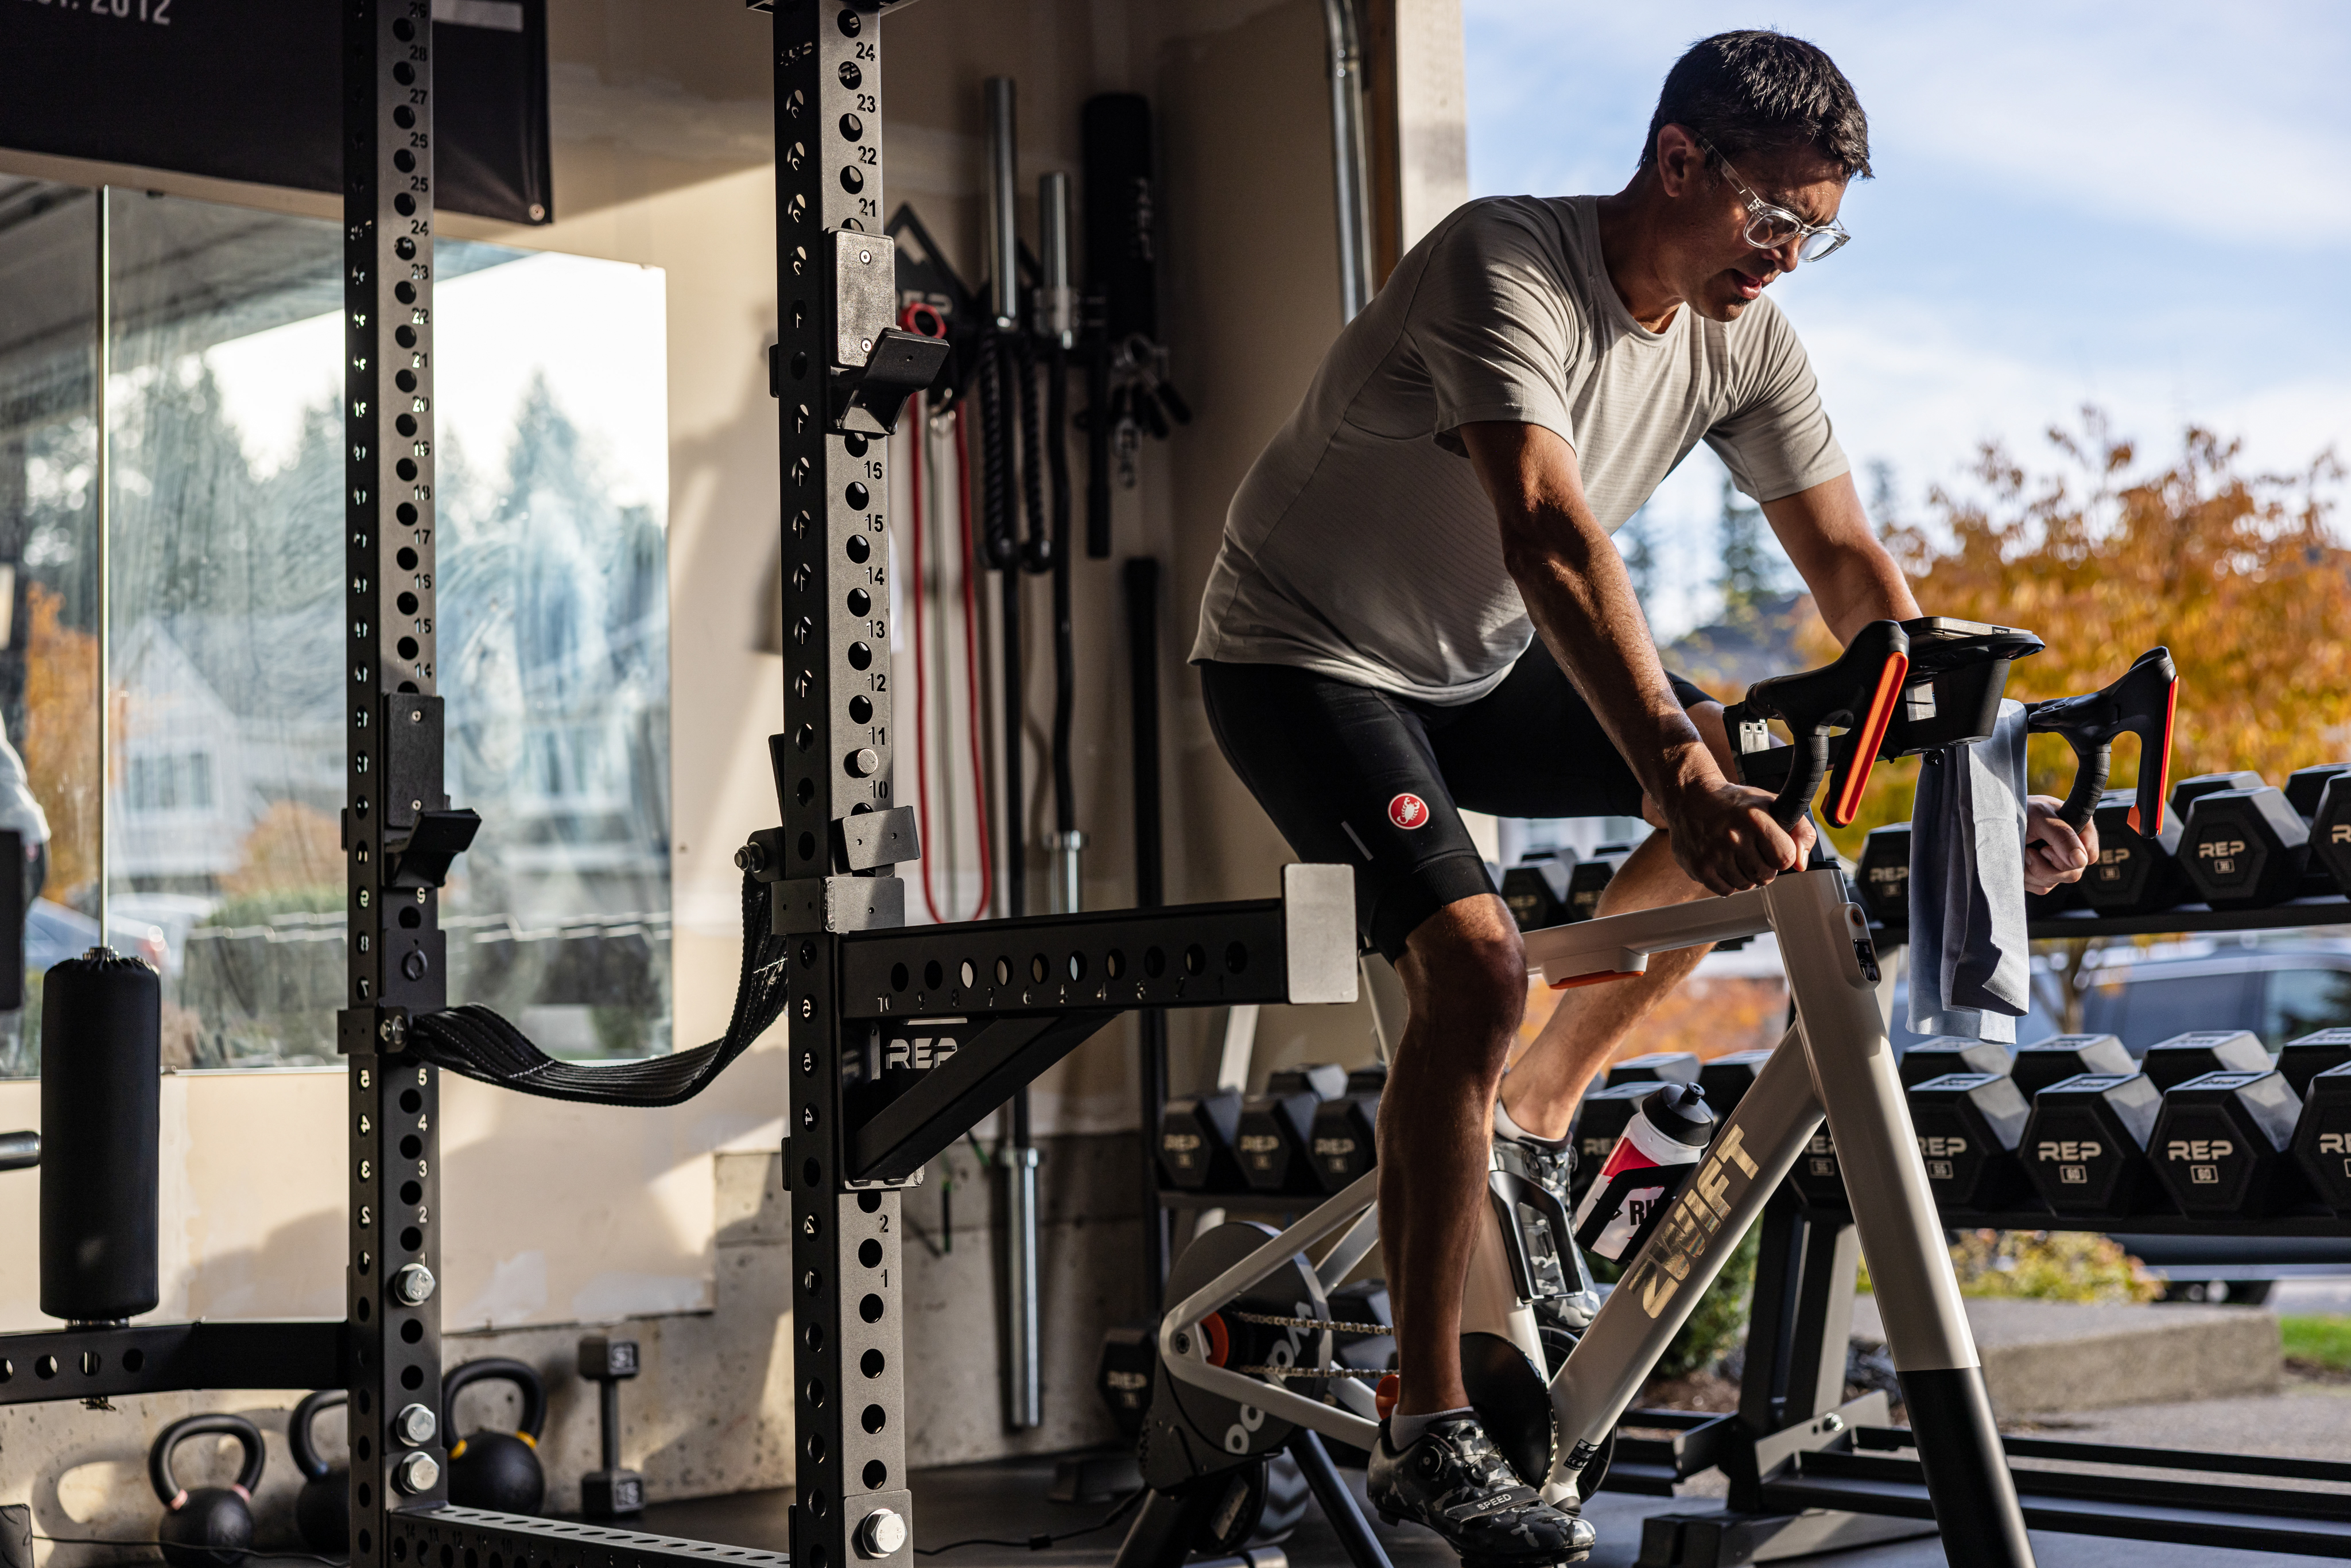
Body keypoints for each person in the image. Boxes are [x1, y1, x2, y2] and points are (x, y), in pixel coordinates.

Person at [1190, 30, 2094, 1564]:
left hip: (1475, 669)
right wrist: (1675, 766)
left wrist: (1972, 789)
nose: (1791, 260)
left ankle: (1541, 1103)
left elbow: (1848, 571)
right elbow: (1547, 527)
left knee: (1780, 778)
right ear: (1678, 159)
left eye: (1821, 231)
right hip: (1304, 657)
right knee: (1473, 965)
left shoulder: (1747, 336)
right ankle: (1426, 1425)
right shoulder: (1506, 263)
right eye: (1773, 219)